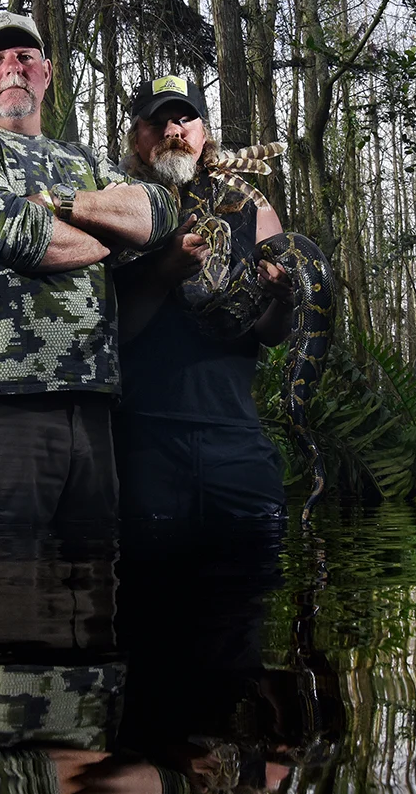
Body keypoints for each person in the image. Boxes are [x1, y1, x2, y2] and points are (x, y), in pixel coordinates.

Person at [0, 11, 179, 526]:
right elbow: (8, 232)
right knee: (2, 591)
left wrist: (55, 200)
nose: (12, 66)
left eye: (25, 56)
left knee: (93, 587)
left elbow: (159, 214)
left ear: (47, 72)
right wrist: (109, 230)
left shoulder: (80, 159)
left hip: (93, 403)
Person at [112, 75, 293, 522]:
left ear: (203, 133)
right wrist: (160, 274)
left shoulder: (253, 207)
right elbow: (110, 330)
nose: (173, 131)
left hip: (233, 431)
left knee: (254, 574)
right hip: (141, 435)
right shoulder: (114, 205)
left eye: (183, 119)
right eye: (157, 123)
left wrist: (284, 298)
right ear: (136, 137)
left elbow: (272, 334)